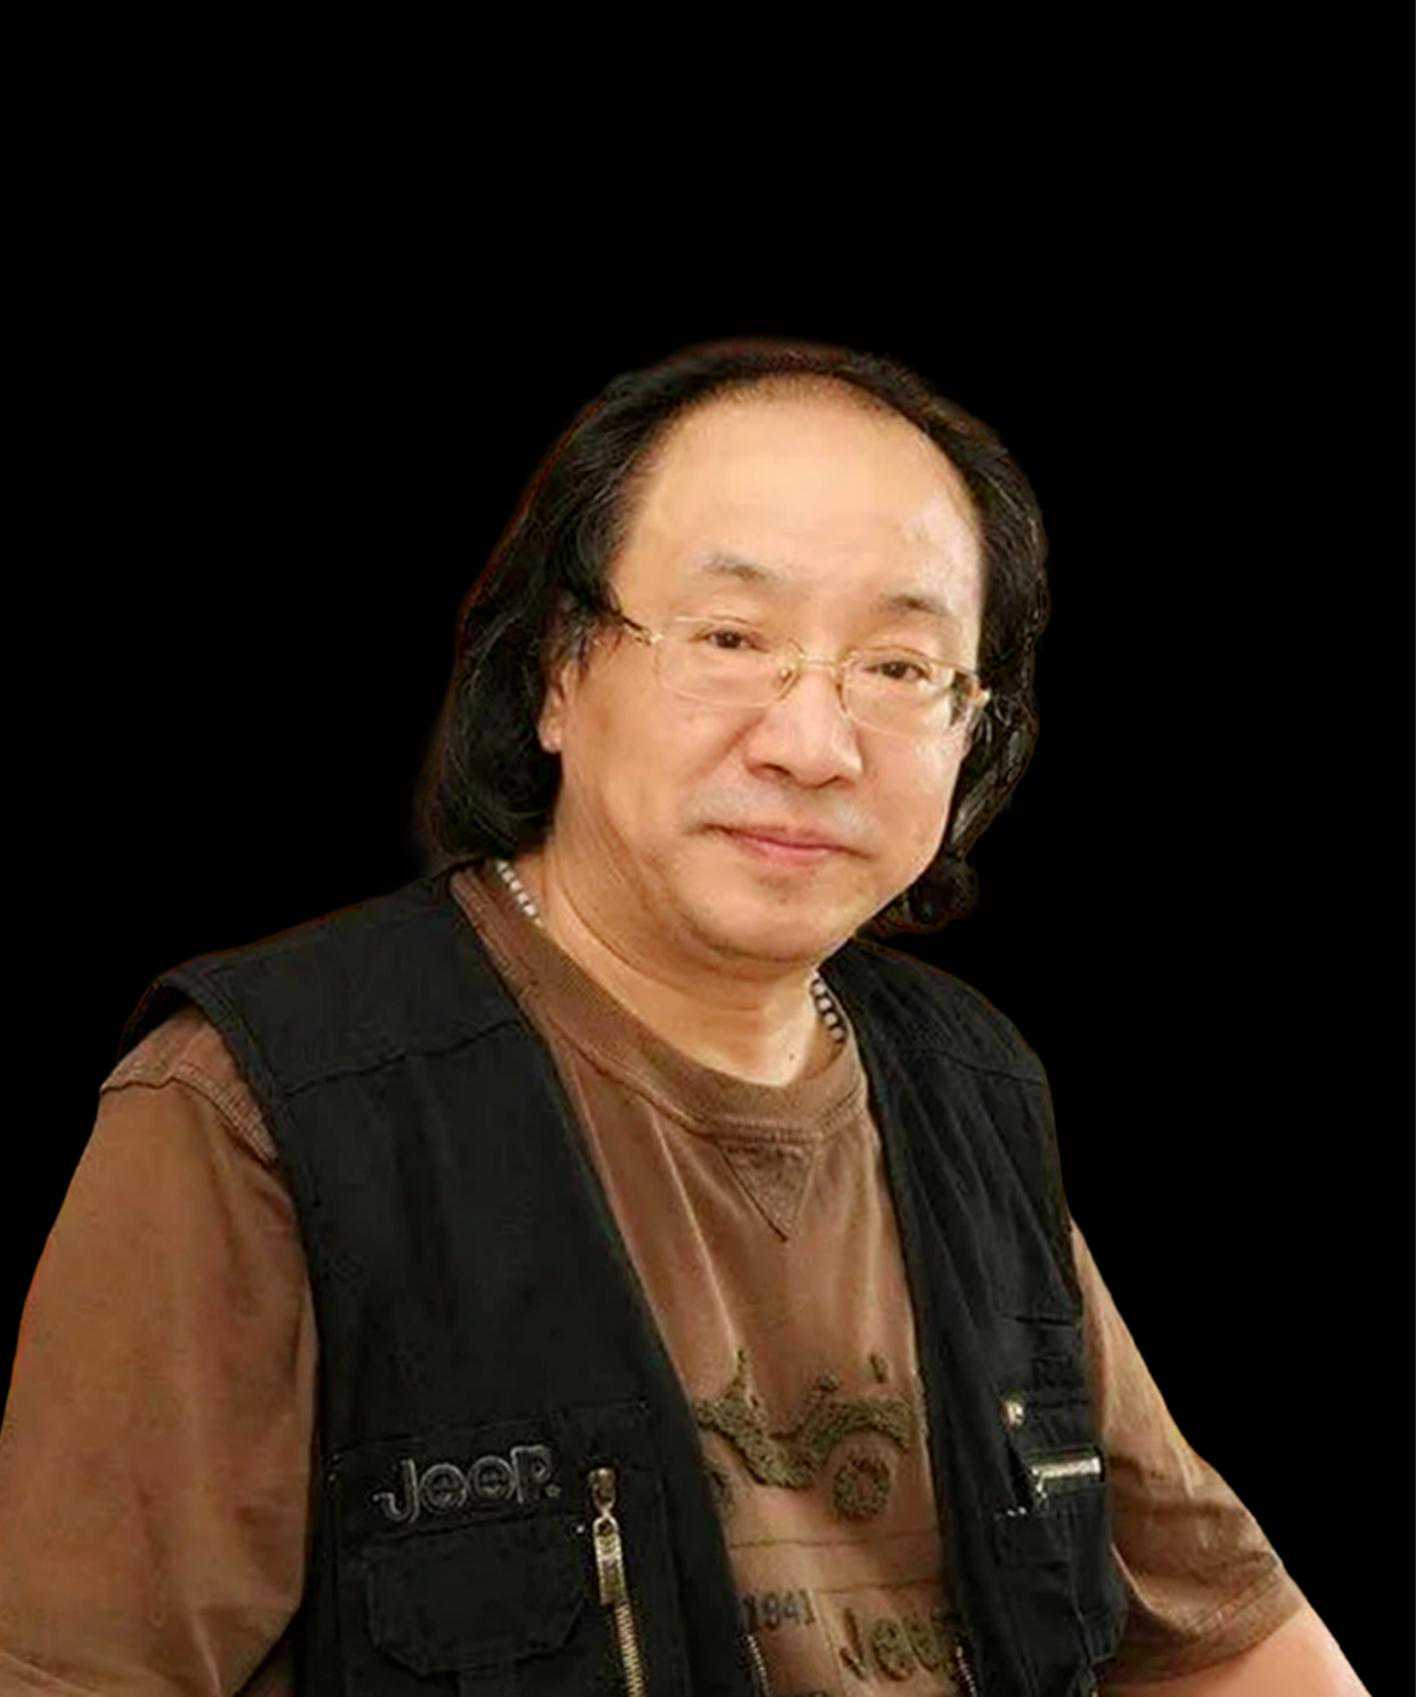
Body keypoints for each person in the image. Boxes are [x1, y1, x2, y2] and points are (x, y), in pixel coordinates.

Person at [0, 338, 1365, 1695]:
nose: (813, 744)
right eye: (730, 639)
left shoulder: (967, 1085)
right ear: (556, 669)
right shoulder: (263, 1107)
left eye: (900, 668)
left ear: (975, 728)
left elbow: (1226, 1642)